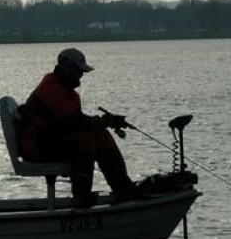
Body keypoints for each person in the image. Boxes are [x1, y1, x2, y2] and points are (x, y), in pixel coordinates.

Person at [18, 48, 140, 206]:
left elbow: (74, 123)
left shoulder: (64, 90)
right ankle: (81, 197)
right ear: (66, 68)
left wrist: (103, 124)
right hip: (39, 147)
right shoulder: (51, 90)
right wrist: (106, 121)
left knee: (101, 136)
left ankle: (123, 189)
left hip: (52, 140)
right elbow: (74, 122)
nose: (81, 75)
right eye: (78, 71)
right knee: (85, 140)